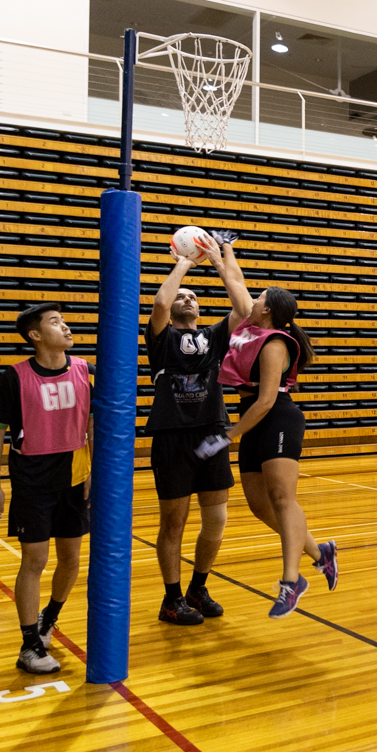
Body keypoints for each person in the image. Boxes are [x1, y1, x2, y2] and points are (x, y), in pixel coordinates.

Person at [0, 303, 92, 673]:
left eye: (63, 320)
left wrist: (92, 468)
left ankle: (49, 618)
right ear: (35, 335)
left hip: (74, 475)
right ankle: (29, 646)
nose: (65, 326)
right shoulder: (14, 377)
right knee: (35, 561)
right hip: (33, 479)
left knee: (72, 558)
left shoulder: (83, 370)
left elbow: (90, 423)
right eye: (55, 322)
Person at [145, 232, 249, 626]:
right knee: (174, 521)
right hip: (173, 435)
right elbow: (159, 302)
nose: (187, 299)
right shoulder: (162, 337)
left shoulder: (214, 336)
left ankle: (197, 588)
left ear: (201, 311)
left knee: (216, 520)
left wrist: (221, 261)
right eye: (182, 296)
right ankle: (171, 599)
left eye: (193, 296)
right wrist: (186, 260)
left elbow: (244, 308)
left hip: (212, 433)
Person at [217, 286, 336, 617]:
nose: (253, 300)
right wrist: (219, 256)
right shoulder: (252, 330)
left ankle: (291, 581)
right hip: (253, 419)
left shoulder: (275, 343)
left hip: (277, 417)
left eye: (259, 298)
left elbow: (267, 400)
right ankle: (321, 552)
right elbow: (237, 289)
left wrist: (230, 435)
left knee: (283, 499)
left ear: (267, 310)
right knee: (259, 505)